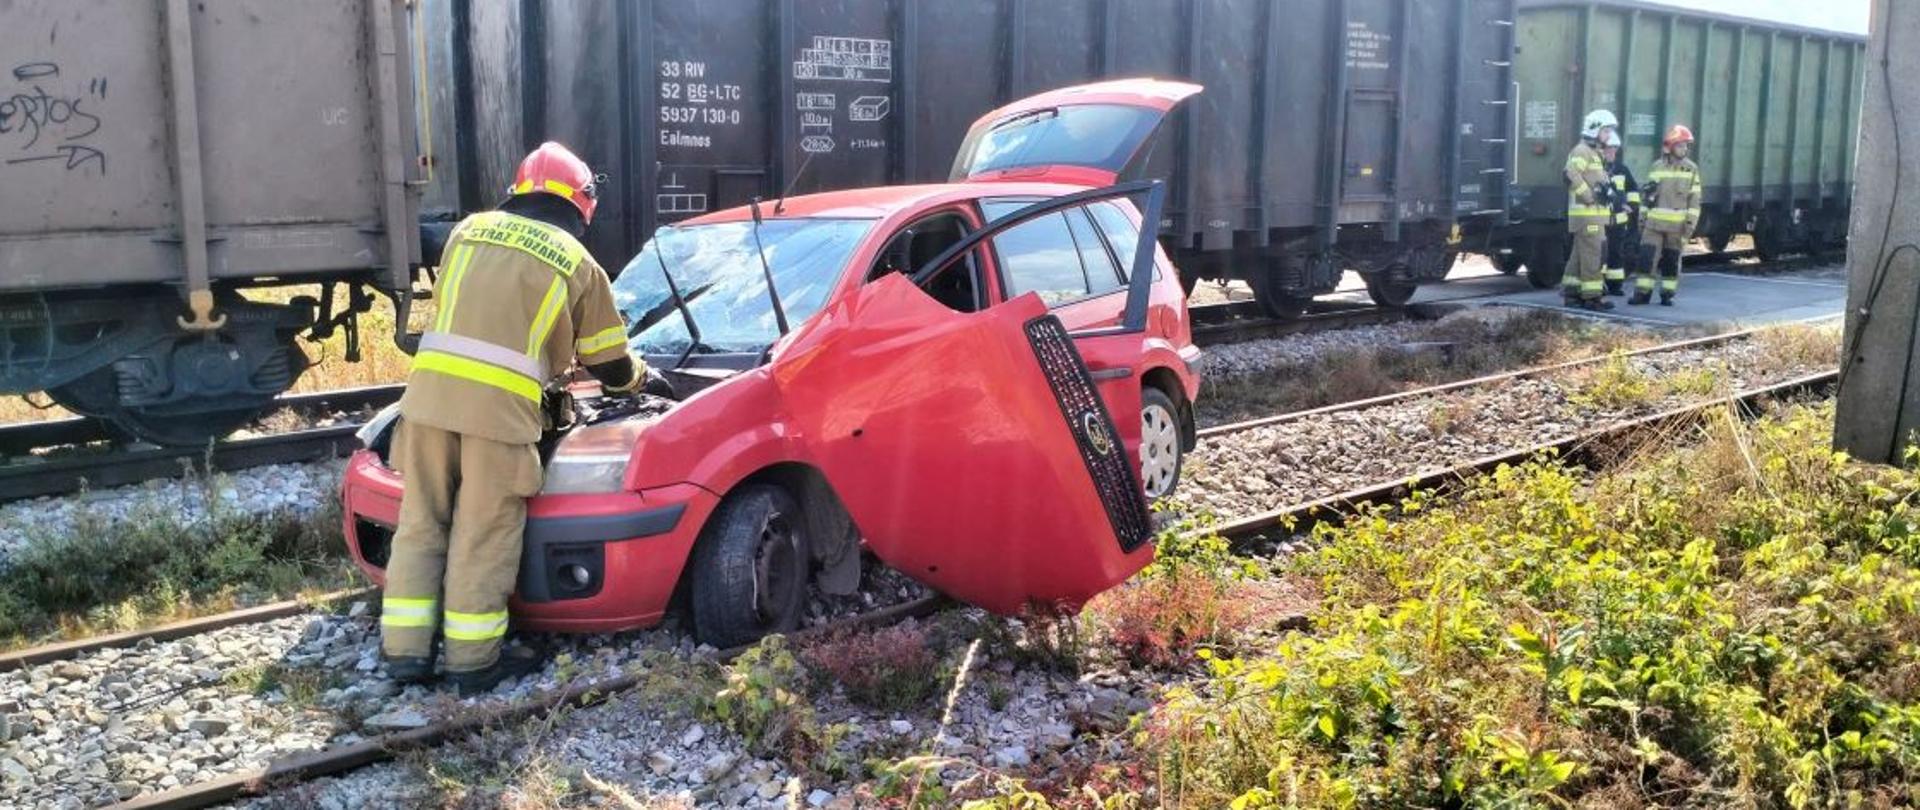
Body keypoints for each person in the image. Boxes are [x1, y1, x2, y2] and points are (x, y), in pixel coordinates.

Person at [380, 142, 649, 695]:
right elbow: (608, 361)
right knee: (483, 531)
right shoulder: (578, 262)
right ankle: (474, 661)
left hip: (427, 404)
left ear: (519, 190)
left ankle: (404, 653)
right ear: (583, 203)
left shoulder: (467, 231)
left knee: (422, 521)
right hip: (498, 418)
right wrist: (640, 381)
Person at [1634, 124, 1703, 306]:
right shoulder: (1656, 166)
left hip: (1677, 228)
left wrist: (1689, 227)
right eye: (1681, 145)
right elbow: (1647, 197)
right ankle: (1642, 294)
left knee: (1671, 262)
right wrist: (1642, 220)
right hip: (1653, 226)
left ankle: (1667, 294)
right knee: (1646, 259)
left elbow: (1694, 202)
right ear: (1671, 146)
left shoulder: (1691, 169)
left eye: (1686, 146)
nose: (1685, 149)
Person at [1563, 109, 1617, 311]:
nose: (1608, 135)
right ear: (1595, 129)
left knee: (1579, 255)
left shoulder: (1594, 153)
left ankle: (1571, 293)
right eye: (1606, 131)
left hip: (1591, 216)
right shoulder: (1582, 151)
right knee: (1594, 255)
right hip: (1588, 215)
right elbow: (1570, 174)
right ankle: (1592, 298)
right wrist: (1589, 196)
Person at [1600, 129, 1643, 297]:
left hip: (1618, 222)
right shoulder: (1597, 169)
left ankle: (1615, 286)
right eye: (1608, 149)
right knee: (1600, 255)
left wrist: (1632, 205)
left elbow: (1633, 189)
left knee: (1616, 253)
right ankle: (1599, 284)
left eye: (1613, 149)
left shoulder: (1622, 169)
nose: (1611, 152)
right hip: (1601, 220)